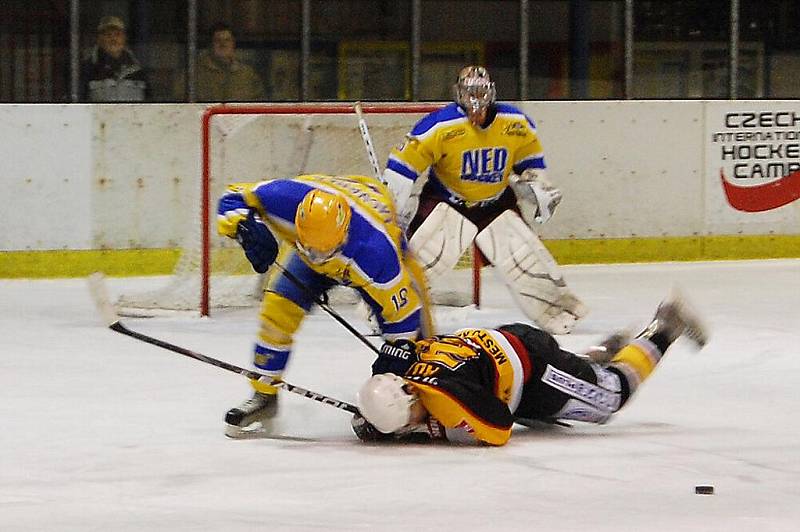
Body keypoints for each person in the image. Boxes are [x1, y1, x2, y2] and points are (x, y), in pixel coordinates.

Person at [216, 174, 434, 438]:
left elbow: (404, 316)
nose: (317, 260)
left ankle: (417, 407)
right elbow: (232, 196)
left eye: (324, 255)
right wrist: (245, 228)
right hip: (322, 237)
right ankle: (264, 396)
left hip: (372, 234)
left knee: (418, 341)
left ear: (343, 236)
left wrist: (397, 360)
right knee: (279, 307)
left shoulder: (377, 254)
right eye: (311, 250)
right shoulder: (283, 199)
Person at [352, 290, 708, 446]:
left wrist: (428, 432)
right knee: (549, 415)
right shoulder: (393, 366)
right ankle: (593, 360)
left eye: (405, 426)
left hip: (534, 368)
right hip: (499, 353)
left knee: (611, 398)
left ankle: (665, 326)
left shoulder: (452, 396)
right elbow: (387, 356)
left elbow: (498, 428)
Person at [382, 65, 585, 335]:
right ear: (459, 95)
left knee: (524, 259)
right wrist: (390, 209)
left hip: (496, 203)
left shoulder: (515, 124)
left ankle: (558, 311)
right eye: (470, 93)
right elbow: (401, 169)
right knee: (422, 260)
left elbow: (530, 166)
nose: (476, 102)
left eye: (481, 92)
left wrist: (537, 188)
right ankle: (385, 308)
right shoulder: (439, 126)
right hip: (446, 201)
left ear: (491, 93)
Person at [174, 22, 264, 102]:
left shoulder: (248, 74)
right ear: (210, 45)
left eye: (227, 40)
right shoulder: (194, 74)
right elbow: (180, 103)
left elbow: (259, 103)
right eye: (217, 40)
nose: (223, 44)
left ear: (233, 43)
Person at [80, 16, 148, 102]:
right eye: (108, 35)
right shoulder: (88, 69)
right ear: (99, 39)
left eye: (118, 34)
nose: (113, 39)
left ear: (124, 38)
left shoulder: (138, 70)